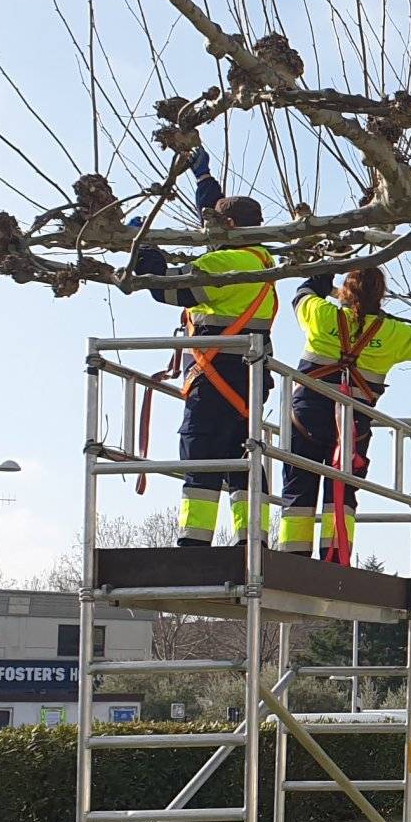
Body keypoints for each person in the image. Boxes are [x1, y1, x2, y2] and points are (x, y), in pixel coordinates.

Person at [130, 150, 278, 547]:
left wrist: (142, 248)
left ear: (227, 226)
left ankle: (194, 543)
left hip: (216, 379)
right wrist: (204, 178)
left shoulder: (223, 265)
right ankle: (254, 541)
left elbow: (164, 289)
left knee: (203, 455)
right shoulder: (262, 261)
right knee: (244, 454)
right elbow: (215, 220)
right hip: (250, 376)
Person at [275, 264, 411, 560]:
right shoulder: (395, 333)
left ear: (345, 291)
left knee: (298, 485)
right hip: (352, 423)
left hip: (306, 415)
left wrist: (325, 273)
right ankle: (334, 559)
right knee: (342, 491)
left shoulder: (322, 315)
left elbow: (303, 294)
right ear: (380, 296)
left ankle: (292, 559)